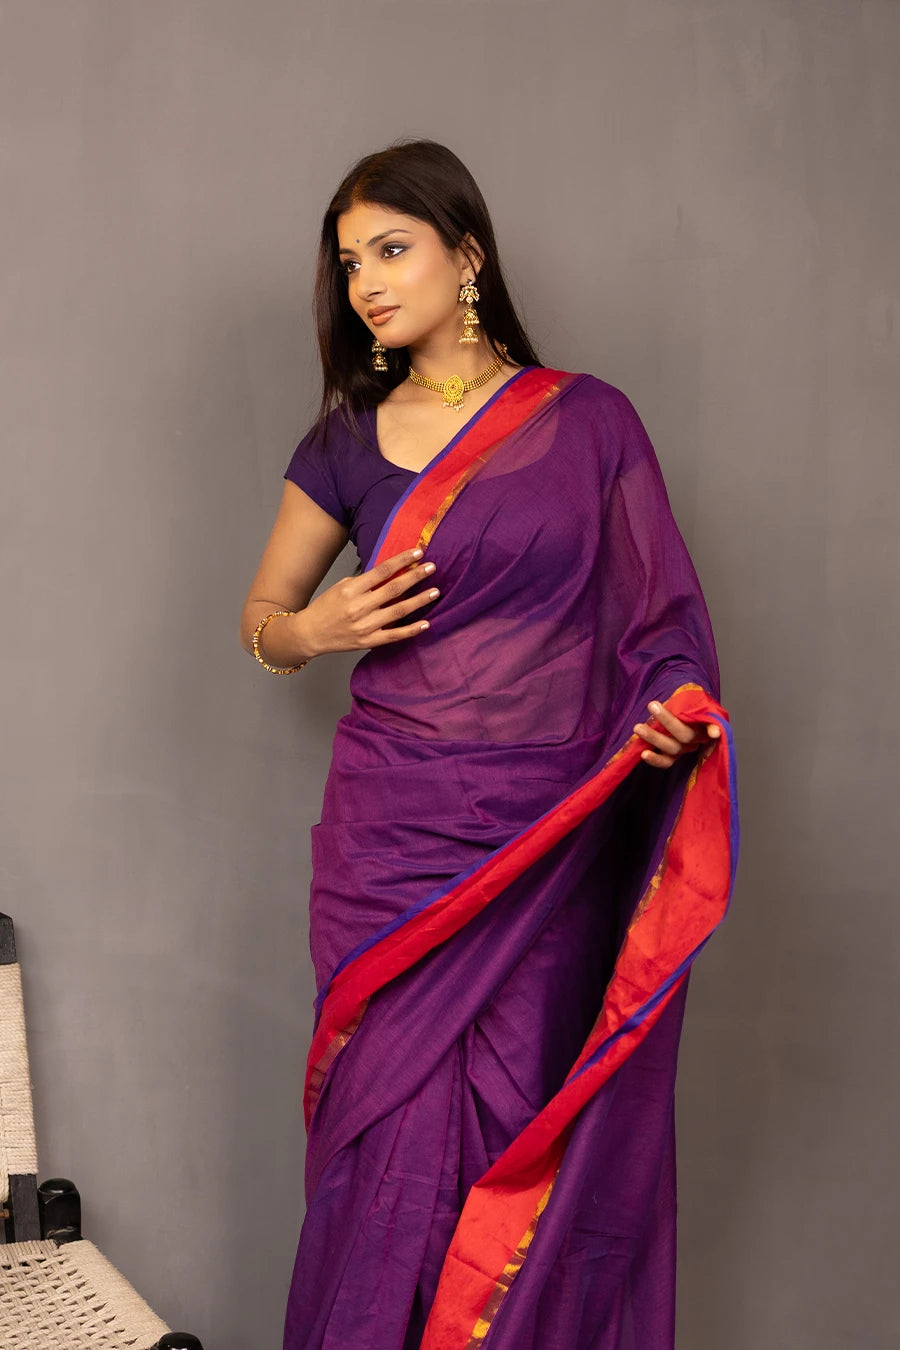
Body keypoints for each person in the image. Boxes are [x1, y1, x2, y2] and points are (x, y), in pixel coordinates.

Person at [239, 139, 738, 1350]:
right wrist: (315, 627)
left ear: (467, 256)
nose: (366, 281)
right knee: (383, 1136)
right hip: (393, 842)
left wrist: (670, 713)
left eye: (393, 249)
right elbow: (261, 623)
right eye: (349, 261)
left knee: (521, 1125)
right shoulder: (345, 440)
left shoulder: (591, 423)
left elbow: (661, 620)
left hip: (546, 841)